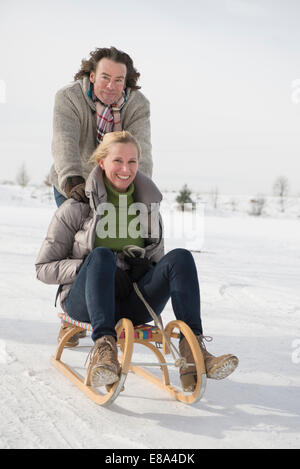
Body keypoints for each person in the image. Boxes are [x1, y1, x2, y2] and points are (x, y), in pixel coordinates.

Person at [36, 131, 238, 391]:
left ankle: (194, 352)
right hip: (85, 301)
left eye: (132, 162)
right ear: (101, 163)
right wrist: (88, 266)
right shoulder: (77, 207)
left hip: (134, 301)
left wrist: (147, 269)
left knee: (180, 259)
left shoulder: (148, 207)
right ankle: (104, 351)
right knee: (100, 256)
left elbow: (160, 264)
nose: (125, 168)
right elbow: (43, 269)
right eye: (118, 161)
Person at [49, 46, 152, 208]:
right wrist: (73, 181)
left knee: (116, 231)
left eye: (118, 80)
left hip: (117, 186)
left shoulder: (137, 105)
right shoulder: (69, 97)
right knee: (79, 229)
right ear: (92, 76)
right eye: (105, 77)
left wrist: (142, 191)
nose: (111, 86)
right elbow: (64, 142)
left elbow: (142, 151)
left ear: (125, 82)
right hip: (77, 182)